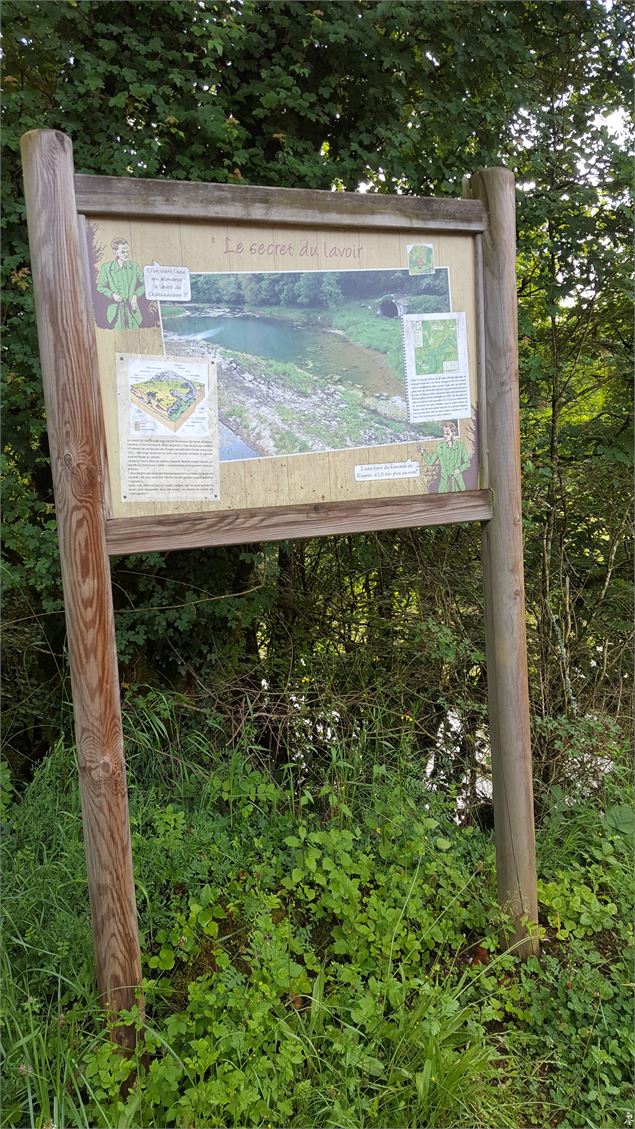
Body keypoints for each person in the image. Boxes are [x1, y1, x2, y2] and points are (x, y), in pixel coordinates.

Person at [96, 238, 145, 330]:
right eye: (123, 252)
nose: (126, 254)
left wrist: (135, 295)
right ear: (115, 252)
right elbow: (100, 287)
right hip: (116, 313)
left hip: (132, 311)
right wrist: (112, 295)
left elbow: (146, 284)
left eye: (127, 251)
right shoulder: (106, 268)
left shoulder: (134, 267)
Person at [419, 421, 470, 492]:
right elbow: (430, 462)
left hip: (457, 483)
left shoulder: (461, 446)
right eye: (444, 434)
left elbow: (467, 463)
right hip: (444, 485)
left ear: (453, 434)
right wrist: (423, 453)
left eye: (447, 434)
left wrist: (459, 469)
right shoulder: (439, 447)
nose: (445, 436)